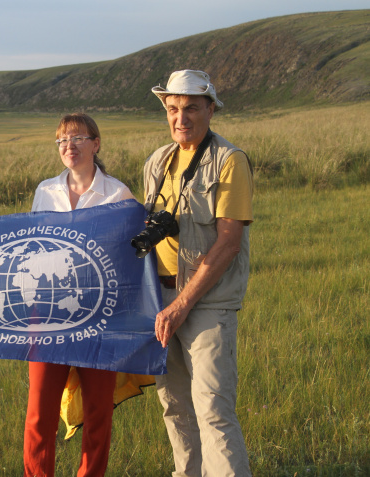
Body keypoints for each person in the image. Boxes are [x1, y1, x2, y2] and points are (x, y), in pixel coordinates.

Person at [143, 70, 253, 476]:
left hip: (206, 301)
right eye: (173, 109)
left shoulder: (229, 161)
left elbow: (228, 242)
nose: (181, 118)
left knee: (213, 411)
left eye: (191, 108)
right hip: (162, 298)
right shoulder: (157, 161)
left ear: (210, 109)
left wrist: (183, 305)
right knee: (174, 407)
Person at [24, 113, 141, 477]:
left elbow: (130, 256)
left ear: (96, 143)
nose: (69, 146)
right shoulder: (45, 191)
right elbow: (29, 247)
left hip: (98, 319)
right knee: (40, 412)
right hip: (46, 316)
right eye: (62, 140)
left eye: (77, 138)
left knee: (98, 412)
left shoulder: (118, 193)